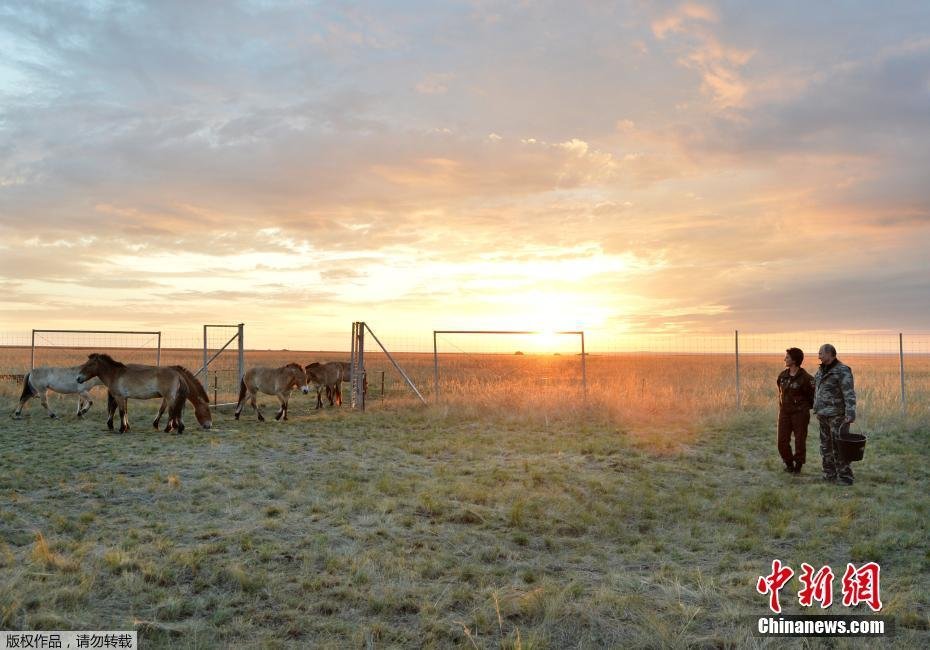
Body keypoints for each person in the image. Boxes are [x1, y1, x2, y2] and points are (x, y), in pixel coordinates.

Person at [813, 343, 857, 485]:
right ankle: (829, 474)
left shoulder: (842, 370)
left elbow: (849, 392)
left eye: (821, 353)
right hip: (823, 415)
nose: (818, 355)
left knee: (839, 446)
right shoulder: (820, 371)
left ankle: (845, 477)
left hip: (837, 415)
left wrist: (850, 413)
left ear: (830, 354)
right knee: (825, 446)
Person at [777, 347, 814, 474]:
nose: (784, 359)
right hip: (784, 413)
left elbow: (812, 397)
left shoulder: (806, 378)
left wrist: (802, 408)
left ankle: (798, 466)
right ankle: (789, 464)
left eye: (787, 357)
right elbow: (780, 391)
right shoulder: (782, 376)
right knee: (782, 441)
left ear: (794, 360)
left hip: (800, 413)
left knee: (799, 440)